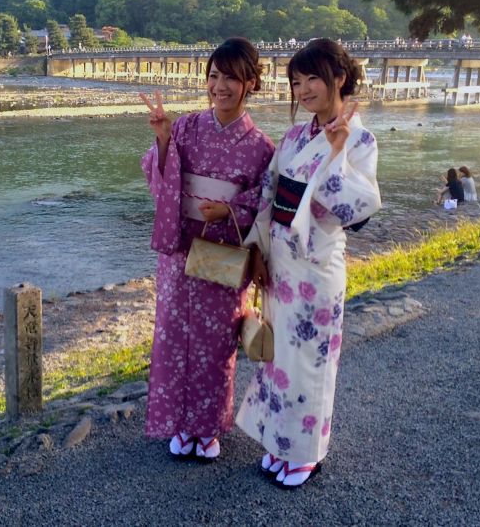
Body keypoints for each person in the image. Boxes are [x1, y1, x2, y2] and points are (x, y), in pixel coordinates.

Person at [236, 38, 382, 487]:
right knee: (279, 358)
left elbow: (357, 211)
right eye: (296, 82)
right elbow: (269, 192)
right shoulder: (296, 135)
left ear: (339, 77)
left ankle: (307, 452)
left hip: (317, 266)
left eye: (312, 78)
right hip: (281, 262)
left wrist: (336, 156)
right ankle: (280, 443)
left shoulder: (359, 138)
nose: (303, 90)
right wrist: (257, 249)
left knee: (311, 361)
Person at [140, 37, 275, 461]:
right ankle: (180, 424)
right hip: (182, 251)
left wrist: (230, 210)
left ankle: (208, 427)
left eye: (231, 77)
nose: (220, 86)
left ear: (250, 82)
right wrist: (163, 140)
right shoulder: (184, 127)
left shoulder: (262, 148)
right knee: (173, 337)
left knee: (215, 344)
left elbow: (263, 201)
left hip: (222, 253)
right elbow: (159, 177)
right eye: (213, 76)